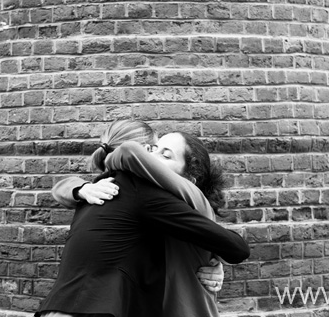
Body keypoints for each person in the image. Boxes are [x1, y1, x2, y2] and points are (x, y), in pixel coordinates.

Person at [38, 120, 249, 317]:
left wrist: (212, 259)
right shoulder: (122, 190)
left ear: (189, 180)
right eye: (152, 150)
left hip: (66, 306)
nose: (153, 158)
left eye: (165, 155)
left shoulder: (103, 187)